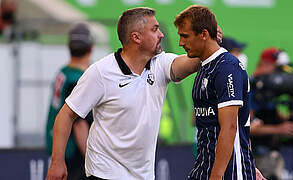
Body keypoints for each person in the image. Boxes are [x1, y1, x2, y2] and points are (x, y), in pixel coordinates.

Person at [46, 7, 223, 180]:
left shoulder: (160, 64)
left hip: (143, 176)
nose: (161, 34)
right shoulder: (100, 72)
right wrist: (57, 162)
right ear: (136, 37)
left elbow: (193, 63)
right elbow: (65, 116)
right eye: (154, 29)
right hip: (103, 174)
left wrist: (208, 46)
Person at [174, 5, 258, 180]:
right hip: (203, 167)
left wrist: (219, 175)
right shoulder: (205, 66)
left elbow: (231, 127)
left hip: (228, 173)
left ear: (204, 34)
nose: (181, 43)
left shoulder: (227, 68)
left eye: (185, 36)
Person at [46, 23, 94, 180]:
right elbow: (79, 124)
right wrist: (92, 161)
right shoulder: (78, 79)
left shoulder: (63, 72)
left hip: (60, 148)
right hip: (74, 152)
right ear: (90, 48)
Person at [250, 47, 293, 180]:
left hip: (271, 154)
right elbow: (246, 126)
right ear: (265, 64)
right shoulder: (251, 88)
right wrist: (280, 129)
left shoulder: (269, 91)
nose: (281, 76)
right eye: (278, 69)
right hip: (257, 157)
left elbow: (274, 116)